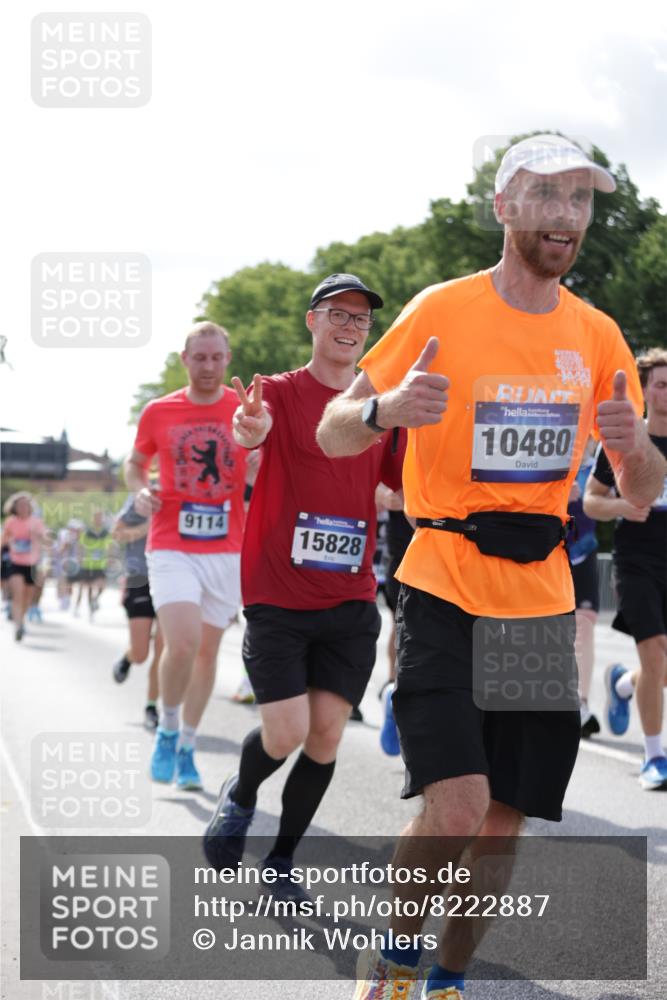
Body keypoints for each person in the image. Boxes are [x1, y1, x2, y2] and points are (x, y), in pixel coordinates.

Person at [317, 135, 667, 1000]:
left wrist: (634, 450)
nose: (566, 215)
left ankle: (448, 977)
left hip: (539, 598)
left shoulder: (596, 334)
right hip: (441, 582)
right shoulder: (443, 309)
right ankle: (395, 963)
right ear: (503, 206)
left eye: (580, 200)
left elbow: (641, 485)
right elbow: (334, 429)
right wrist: (386, 408)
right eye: (546, 195)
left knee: (504, 823)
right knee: (460, 806)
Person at [203, 273, 405, 900]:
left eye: (361, 319)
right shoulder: (281, 394)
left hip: (348, 596)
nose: (350, 327)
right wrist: (249, 428)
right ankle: (239, 798)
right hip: (278, 591)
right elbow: (248, 434)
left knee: (325, 733)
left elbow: (401, 488)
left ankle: (283, 859)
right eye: (338, 315)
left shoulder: (381, 405)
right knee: (285, 731)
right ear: (312, 321)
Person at [125, 321, 247, 791]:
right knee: (182, 642)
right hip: (171, 541)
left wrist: (258, 457)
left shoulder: (243, 408)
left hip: (227, 547)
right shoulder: (159, 411)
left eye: (217, 357)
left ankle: (189, 747)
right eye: (200, 358)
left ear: (228, 359)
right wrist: (139, 491)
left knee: (207, 652)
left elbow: (267, 457)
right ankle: (168, 728)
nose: (209, 367)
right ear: (185, 360)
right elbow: (134, 463)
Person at [584, 347, 667, 790]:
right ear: (646, 390)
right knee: (654, 651)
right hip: (637, 562)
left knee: (657, 666)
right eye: (661, 384)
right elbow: (590, 500)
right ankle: (655, 757)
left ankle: (621, 685)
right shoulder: (624, 438)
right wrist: (622, 505)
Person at [111, 492, 163, 730]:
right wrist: (150, 525)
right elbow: (117, 533)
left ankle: (151, 706)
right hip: (139, 577)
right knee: (141, 654)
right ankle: (128, 658)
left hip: (172, 579)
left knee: (164, 653)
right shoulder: (142, 497)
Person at [566, 441, 601, 738]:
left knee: (585, 625)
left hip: (584, 553)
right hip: (548, 552)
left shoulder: (599, 462)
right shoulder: (551, 457)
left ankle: (581, 702)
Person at [1, 492, 50, 641]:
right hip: (15, 562)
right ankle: (18, 626)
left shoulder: (36, 522)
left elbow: (46, 538)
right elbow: (4, 540)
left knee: (27, 598)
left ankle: (21, 619)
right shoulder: (11, 522)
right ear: (15, 507)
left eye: (26, 504)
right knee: (18, 594)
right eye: (20, 505)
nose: (23, 507)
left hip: (32, 563)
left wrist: (43, 538)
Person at [76, 510, 113, 620]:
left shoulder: (105, 532)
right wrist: (79, 558)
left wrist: (110, 558)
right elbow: (80, 545)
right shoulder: (87, 532)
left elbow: (110, 546)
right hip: (88, 564)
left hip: (100, 564)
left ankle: (95, 599)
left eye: (100, 517)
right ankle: (90, 610)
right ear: (92, 519)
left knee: (102, 585)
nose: (98, 519)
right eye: (96, 517)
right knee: (89, 588)